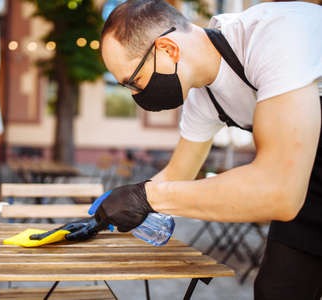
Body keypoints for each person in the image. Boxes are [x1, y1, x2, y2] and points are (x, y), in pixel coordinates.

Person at [34, 1, 322, 298]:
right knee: (278, 291)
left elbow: (280, 192)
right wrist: (100, 218)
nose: (136, 94)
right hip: (309, 180)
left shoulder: (272, 37)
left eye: (133, 81)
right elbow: (178, 175)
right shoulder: (204, 96)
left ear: (168, 50)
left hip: (293, 183)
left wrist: (146, 196)